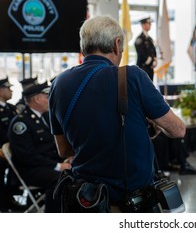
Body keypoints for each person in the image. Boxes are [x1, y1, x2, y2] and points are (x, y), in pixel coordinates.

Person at [48, 15, 186, 212]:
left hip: (86, 200)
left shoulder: (58, 84)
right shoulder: (132, 76)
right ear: (117, 44)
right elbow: (178, 130)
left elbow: (64, 150)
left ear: (83, 46)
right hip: (132, 202)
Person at [8, 81, 71, 212]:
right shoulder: (21, 123)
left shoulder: (45, 117)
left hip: (47, 164)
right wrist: (59, 166)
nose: (50, 99)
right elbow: (27, 156)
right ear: (37, 99)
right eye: (47, 97)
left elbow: (51, 146)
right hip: (31, 169)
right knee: (62, 179)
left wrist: (66, 159)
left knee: (77, 171)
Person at [0, 77, 26, 211]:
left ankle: (9, 196)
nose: (11, 91)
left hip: (13, 149)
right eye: (8, 88)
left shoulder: (11, 108)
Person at [134, 17, 157, 81]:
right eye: (148, 23)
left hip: (150, 67)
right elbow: (141, 53)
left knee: (150, 85)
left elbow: (153, 50)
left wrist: (155, 60)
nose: (150, 25)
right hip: (142, 67)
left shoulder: (150, 39)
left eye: (150, 23)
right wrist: (151, 60)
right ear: (143, 25)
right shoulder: (139, 38)